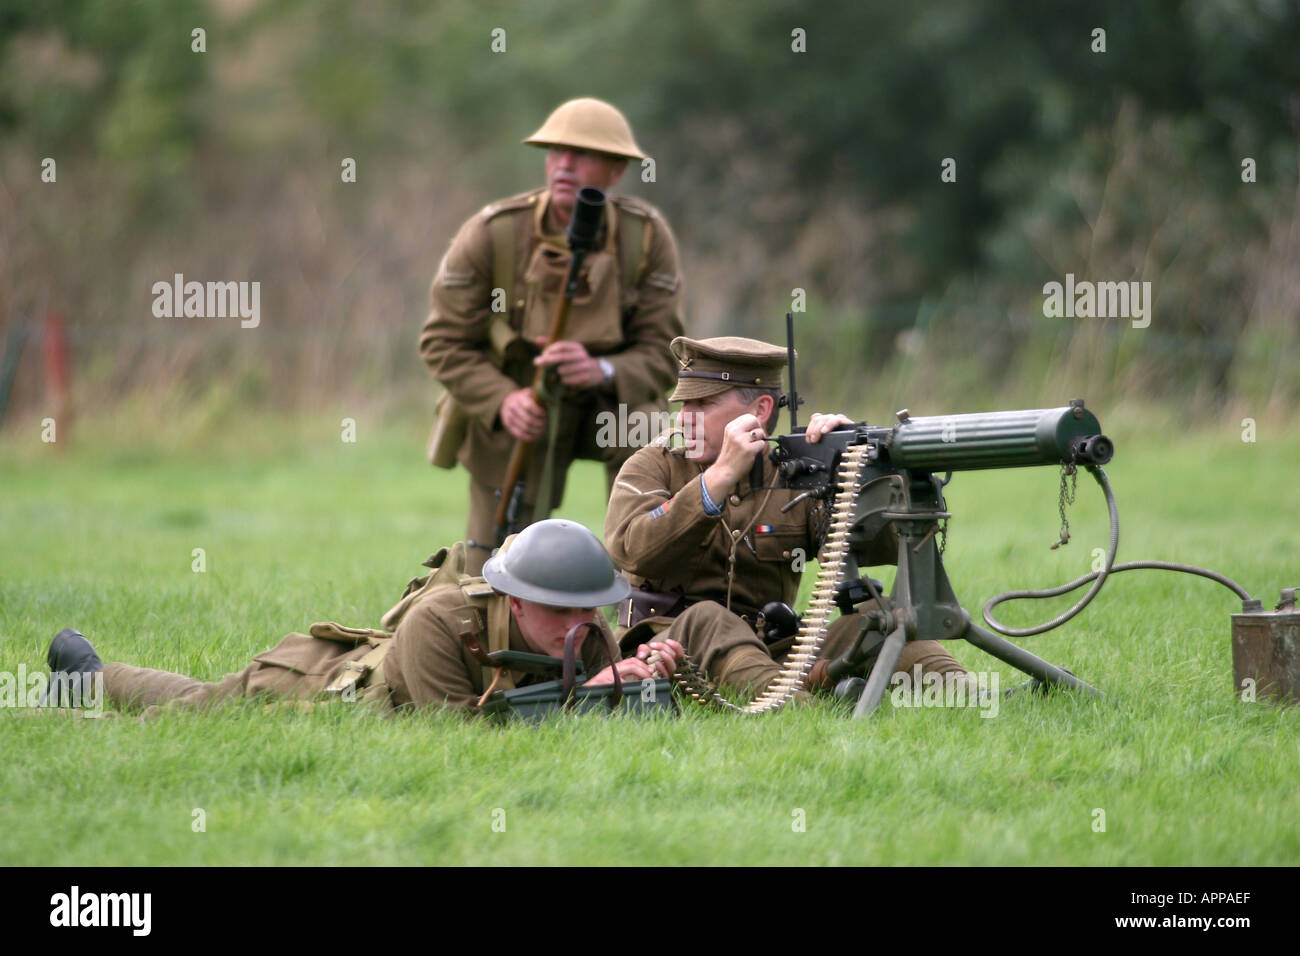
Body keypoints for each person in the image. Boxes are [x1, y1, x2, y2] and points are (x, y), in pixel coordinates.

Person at [604, 335, 972, 697]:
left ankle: (978, 699)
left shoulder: (795, 473)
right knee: (708, 619)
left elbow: (890, 547)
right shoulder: (654, 465)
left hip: (770, 647)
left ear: (760, 411)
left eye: (702, 404)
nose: (684, 418)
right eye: (683, 404)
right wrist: (716, 480)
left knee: (878, 627)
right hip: (669, 647)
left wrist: (857, 469)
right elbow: (633, 549)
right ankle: (802, 712)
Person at [43, 520, 705, 717]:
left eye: (590, 608)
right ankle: (88, 680)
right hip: (323, 693)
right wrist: (587, 695)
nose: (581, 624)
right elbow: (457, 741)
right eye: (562, 611)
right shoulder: (445, 622)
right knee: (194, 710)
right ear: (517, 599)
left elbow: (595, 723)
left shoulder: (588, 633)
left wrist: (640, 681)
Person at [420, 97, 685, 574]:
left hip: (605, 404)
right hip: (519, 409)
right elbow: (442, 342)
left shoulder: (644, 239)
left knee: (646, 426)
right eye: (554, 151)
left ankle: (643, 585)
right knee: (489, 576)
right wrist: (503, 401)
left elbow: (664, 354)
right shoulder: (492, 234)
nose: (564, 163)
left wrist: (601, 369)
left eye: (581, 153)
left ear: (617, 170)